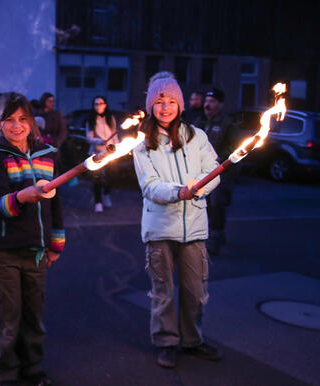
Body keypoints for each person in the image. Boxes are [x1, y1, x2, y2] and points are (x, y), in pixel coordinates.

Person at [132, 71, 222, 369]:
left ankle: (192, 340)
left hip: (194, 227)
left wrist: (198, 189)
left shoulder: (197, 136)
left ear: (181, 104)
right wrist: (179, 191)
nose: (166, 107)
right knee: (163, 292)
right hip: (160, 229)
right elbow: (149, 185)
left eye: (172, 101)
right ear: (150, 106)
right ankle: (167, 342)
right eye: (159, 101)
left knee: (195, 292)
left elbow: (214, 170)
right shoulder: (142, 142)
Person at [0, 92, 65, 386]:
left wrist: (56, 243)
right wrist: (20, 197)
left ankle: (32, 366)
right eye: (10, 120)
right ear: (0, 124)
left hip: (38, 249)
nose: (17, 126)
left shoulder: (48, 155)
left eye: (22, 119)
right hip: (5, 250)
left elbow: (55, 205)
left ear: (32, 122)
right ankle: (5, 369)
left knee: (33, 312)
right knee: (7, 312)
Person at [201, 88, 239, 255]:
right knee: (207, 206)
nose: (207, 105)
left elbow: (236, 148)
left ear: (220, 105)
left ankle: (215, 240)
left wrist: (219, 160)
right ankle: (216, 235)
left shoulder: (227, 125)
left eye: (212, 102)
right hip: (205, 174)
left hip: (222, 175)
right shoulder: (202, 122)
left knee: (217, 206)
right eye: (206, 101)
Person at [85, 95, 118, 212]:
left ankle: (106, 193)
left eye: (101, 103)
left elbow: (115, 135)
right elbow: (89, 138)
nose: (99, 106)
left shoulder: (111, 118)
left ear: (105, 105)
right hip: (96, 153)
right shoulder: (91, 120)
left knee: (112, 175)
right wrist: (99, 141)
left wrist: (117, 148)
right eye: (96, 104)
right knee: (97, 178)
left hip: (110, 154)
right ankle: (98, 202)